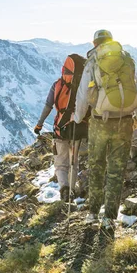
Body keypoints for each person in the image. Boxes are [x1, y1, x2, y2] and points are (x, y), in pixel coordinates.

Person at [74, 30, 137, 229]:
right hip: (124, 122)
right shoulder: (126, 60)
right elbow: (135, 88)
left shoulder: (93, 61)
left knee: (97, 167)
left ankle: (92, 213)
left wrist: (79, 117)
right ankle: (109, 218)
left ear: (95, 43)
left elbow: (83, 94)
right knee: (116, 171)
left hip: (100, 122)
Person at [35, 54, 88, 201]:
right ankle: (71, 190)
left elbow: (48, 106)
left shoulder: (57, 85)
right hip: (78, 128)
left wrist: (39, 124)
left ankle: (64, 189)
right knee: (73, 163)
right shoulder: (84, 87)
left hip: (61, 128)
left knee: (60, 163)